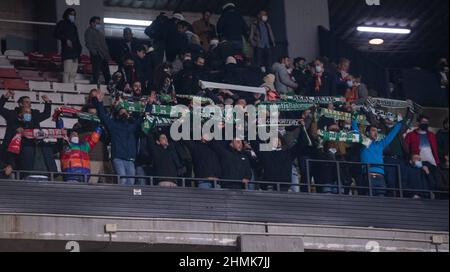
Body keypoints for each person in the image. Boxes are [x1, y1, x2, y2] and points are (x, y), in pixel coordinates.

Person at [92, 90, 150, 185]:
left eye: (125, 112)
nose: (124, 113)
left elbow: (144, 117)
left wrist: (150, 104)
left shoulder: (132, 126)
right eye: (121, 112)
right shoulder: (113, 125)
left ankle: (129, 200)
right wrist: (99, 102)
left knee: (131, 182)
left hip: (130, 159)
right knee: (122, 179)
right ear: (118, 115)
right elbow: (102, 116)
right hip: (118, 158)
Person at [352, 113, 403, 197]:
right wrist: (354, 117)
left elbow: (391, 135)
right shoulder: (364, 142)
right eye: (373, 130)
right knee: (369, 200)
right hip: (367, 175)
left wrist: (399, 122)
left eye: (376, 131)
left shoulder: (380, 144)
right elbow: (356, 132)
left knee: (381, 201)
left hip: (381, 176)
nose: (375, 133)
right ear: (367, 133)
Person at [0, 90, 52, 170]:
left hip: (29, 148)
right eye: (27, 102)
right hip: (12, 149)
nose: (30, 104)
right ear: (21, 104)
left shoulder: (35, 115)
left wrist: (47, 102)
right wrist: (5, 97)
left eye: (30, 102)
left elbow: (47, 114)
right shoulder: (12, 114)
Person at [54, 8, 82, 83]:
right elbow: (56, 34)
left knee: (73, 74)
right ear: (66, 14)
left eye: (74, 14)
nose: (72, 16)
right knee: (67, 72)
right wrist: (65, 39)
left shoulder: (73, 26)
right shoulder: (61, 23)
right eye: (71, 14)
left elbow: (77, 39)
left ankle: (71, 89)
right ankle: (66, 88)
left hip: (75, 52)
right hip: (67, 52)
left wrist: (79, 51)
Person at [85, 16, 111, 85]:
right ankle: (94, 85)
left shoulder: (100, 33)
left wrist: (106, 54)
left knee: (106, 72)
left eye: (99, 23)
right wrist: (95, 53)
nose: (98, 25)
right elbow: (88, 43)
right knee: (96, 71)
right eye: (97, 23)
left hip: (103, 55)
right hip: (97, 55)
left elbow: (104, 45)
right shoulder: (89, 31)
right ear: (92, 23)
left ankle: (108, 86)